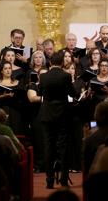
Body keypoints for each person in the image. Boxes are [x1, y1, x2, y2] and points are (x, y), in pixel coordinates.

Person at [39, 52, 77, 188]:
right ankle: (64, 180)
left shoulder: (43, 76)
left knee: (48, 147)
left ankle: (49, 180)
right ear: (62, 63)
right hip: (62, 115)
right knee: (63, 147)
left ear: (50, 62)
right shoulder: (66, 76)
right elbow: (73, 94)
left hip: (47, 114)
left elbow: (39, 92)